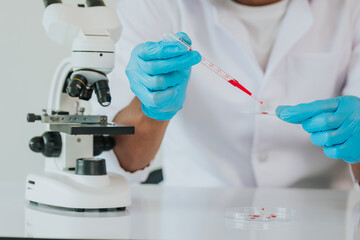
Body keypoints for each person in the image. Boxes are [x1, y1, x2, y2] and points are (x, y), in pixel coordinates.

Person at [93, 0, 360, 189]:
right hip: (196, 213)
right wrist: (151, 106)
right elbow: (123, 161)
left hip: (324, 213)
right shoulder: (157, 5)